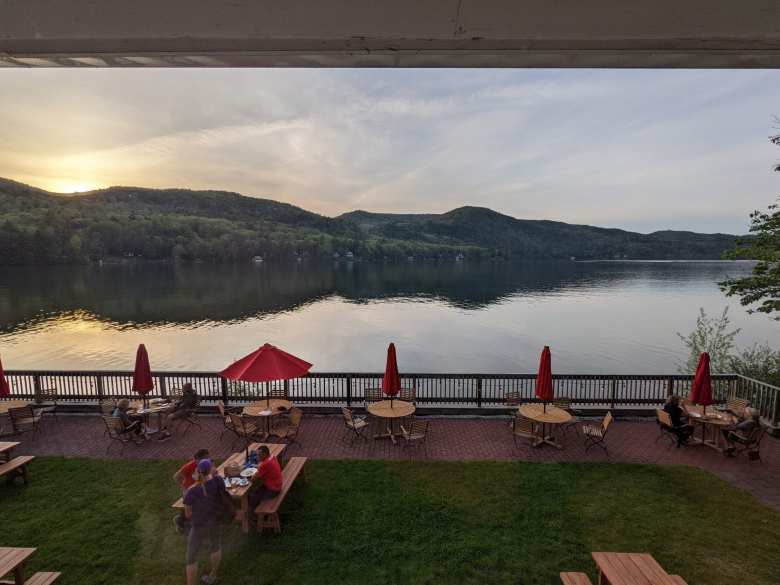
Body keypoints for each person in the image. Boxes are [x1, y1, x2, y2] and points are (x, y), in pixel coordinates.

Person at [183, 459, 224, 585]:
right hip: (215, 520)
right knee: (215, 546)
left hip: (199, 525)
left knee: (191, 558)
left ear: (198, 471)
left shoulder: (191, 491)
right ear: (210, 469)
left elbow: (188, 514)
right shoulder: (217, 481)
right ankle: (213, 575)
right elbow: (222, 492)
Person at [173, 448, 210, 533]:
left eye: (208, 458)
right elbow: (176, 477)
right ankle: (180, 521)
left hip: (199, 487)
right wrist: (183, 488)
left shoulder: (205, 464)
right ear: (197, 459)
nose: (208, 460)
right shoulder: (189, 466)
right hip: (189, 491)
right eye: (205, 458)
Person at [248, 445, 282, 512]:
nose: (257, 457)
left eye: (258, 455)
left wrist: (245, 477)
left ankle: (253, 515)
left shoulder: (265, 464)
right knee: (255, 492)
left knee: (253, 497)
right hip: (277, 483)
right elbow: (261, 468)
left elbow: (253, 479)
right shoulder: (272, 457)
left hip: (274, 489)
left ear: (264, 455)